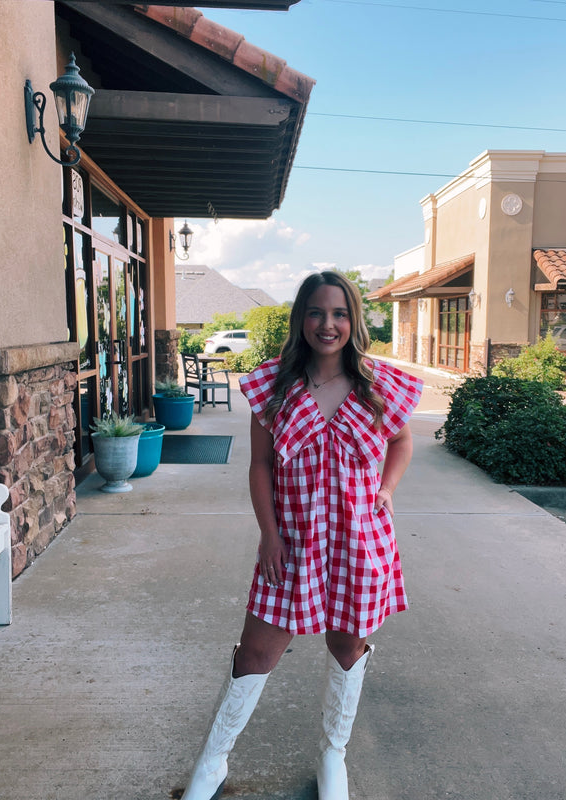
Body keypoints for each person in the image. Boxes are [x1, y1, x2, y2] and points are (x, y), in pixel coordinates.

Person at [181, 271, 423, 800]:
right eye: (316, 312)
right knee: (256, 653)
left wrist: (386, 489)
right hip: (291, 542)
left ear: (353, 319)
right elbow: (261, 466)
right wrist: (269, 535)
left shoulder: (379, 383)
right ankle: (213, 761)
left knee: (346, 646)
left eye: (339, 313)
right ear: (301, 319)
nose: (328, 324)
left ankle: (332, 757)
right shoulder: (275, 384)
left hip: (358, 541)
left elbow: (403, 440)